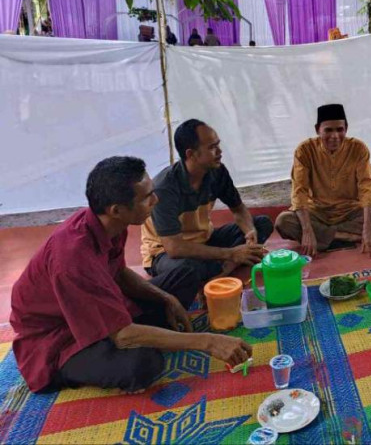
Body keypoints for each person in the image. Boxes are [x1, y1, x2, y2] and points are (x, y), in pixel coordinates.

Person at [10, 156, 252, 394]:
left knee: (182, 276)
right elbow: (122, 335)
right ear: (117, 210)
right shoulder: (72, 261)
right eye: (147, 197)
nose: (156, 200)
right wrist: (207, 342)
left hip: (103, 306)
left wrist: (165, 298)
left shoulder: (109, 225)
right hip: (59, 338)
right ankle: (78, 365)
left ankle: (146, 330)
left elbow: (119, 273)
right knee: (144, 363)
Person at [140, 119, 274, 309]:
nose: (219, 152)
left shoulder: (217, 171)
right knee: (187, 270)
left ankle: (219, 274)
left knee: (262, 224)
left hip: (205, 241)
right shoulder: (164, 188)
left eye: (218, 145)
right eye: (212, 147)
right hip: (164, 254)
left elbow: (238, 209)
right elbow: (174, 248)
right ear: (191, 154)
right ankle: (224, 267)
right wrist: (231, 253)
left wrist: (249, 232)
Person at [275, 104, 371, 259]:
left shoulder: (358, 148)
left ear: (346, 128)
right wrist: (306, 229)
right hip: (316, 212)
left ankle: (326, 237)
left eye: (340, 129)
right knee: (284, 222)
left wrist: (367, 228)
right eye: (328, 130)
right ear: (317, 130)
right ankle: (350, 237)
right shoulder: (304, 150)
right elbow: (299, 191)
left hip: (350, 212)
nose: (335, 136)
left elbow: (367, 187)